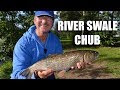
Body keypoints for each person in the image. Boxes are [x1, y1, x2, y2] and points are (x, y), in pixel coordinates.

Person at [10, 11, 87, 79]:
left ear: (53, 22)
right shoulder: (22, 44)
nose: (44, 21)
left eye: (48, 18)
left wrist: (71, 65)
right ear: (34, 20)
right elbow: (16, 76)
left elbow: (60, 68)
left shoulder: (56, 41)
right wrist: (36, 75)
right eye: (40, 17)